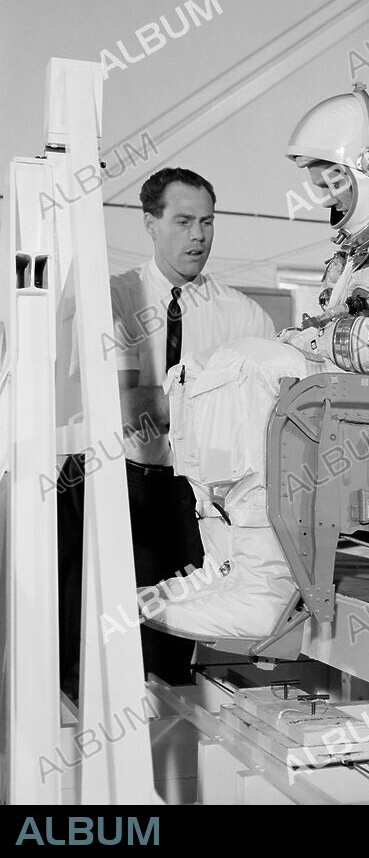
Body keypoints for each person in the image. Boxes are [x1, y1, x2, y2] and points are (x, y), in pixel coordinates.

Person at [142, 86, 369, 641]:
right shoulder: (359, 249)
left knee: (252, 369)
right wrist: (316, 338)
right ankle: (230, 566)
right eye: (321, 180)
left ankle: (268, 585)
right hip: (359, 400)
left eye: (335, 178)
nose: (326, 191)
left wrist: (326, 343)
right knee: (194, 376)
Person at [57, 168, 277, 696]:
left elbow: (268, 415)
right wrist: (217, 400)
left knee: (170, 648)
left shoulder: (243, 318)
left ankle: (163, 750)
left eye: (206, 222)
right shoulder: (115, 298)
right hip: (110, 479)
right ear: (150, 224)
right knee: (85, 638)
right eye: (182, 221)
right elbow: (129, 409)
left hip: (185, 493)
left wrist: (183, 402)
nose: (198, 236)